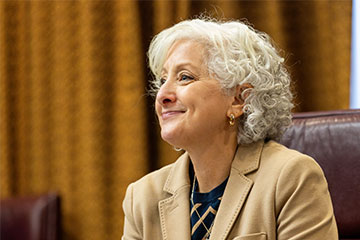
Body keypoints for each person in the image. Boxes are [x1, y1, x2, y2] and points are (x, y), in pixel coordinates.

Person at [122, 18, 338, 240]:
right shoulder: (142, 197)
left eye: (184, 77)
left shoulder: (291, 178)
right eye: (163, 80)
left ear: (238, 99)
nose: (162, 95)